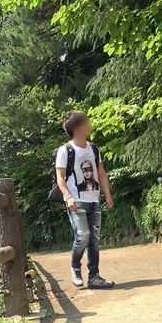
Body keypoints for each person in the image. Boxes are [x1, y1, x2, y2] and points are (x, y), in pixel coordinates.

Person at [55, 110, 116, 288]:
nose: (89, 125)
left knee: (94, 240)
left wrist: (108, 194)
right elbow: (60, 177)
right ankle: (75, 267)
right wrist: (68, 197)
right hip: (76, 200)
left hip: (94, 200)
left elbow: (101, 173)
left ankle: (94, 277)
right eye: (85, 122)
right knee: (83, 235)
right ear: (75, 128)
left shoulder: (94, 149)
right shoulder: (65, 150)